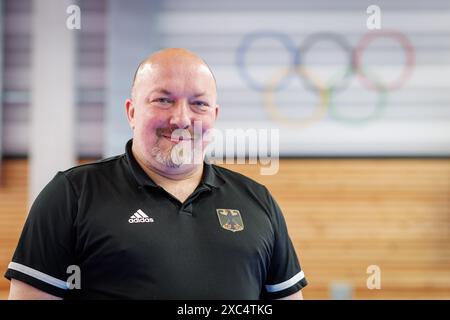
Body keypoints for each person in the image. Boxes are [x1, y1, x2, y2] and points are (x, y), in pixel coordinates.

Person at [5, 48, 308, 299]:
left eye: (199, 104)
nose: (181, 118)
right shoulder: (72, 194)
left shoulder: (258, 202)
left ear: (213, 116)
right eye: (163, 100)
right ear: (132, 112)